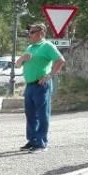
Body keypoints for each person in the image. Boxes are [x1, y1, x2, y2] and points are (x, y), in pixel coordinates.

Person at [15, 23, 65, 153]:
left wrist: (49, 75)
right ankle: (32, 140)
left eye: (32, 32)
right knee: (30, 114)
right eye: (29, 32)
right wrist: (22, 58)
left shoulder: (47, 45)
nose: (29, 34)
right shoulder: (30, 47)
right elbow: (17, 65)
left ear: (41, 33)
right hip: (30, 85)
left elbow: (60, 60)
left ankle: (41, 143)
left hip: (41, 85)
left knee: (42, 114)